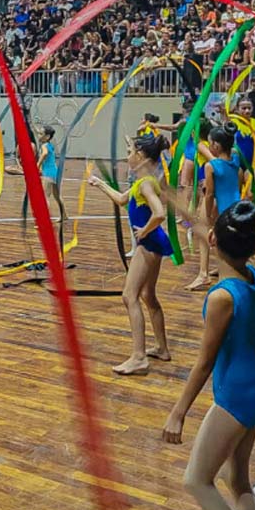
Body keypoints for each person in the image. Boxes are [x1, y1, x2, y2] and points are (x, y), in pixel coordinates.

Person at [163, 201, 255, 510]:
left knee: (196, 481)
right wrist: (174, 201)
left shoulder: (221, 298)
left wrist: (178, 412)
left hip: (237, 396)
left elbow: (205, 361)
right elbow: (207, 230)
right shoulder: (250, 275)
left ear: (212, 240)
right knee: (236, 478)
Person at [88, 133, 172, 375]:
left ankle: (139, 357)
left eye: (130, 152)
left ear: (141, 156)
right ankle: (162, 348)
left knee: (129, 295)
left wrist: (143, 231)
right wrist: (100, 184)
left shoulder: (145, 184)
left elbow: (159, 214)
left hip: (149, 244)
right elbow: (122, 200)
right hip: (153, 243)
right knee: (148, 295)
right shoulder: (141, 183)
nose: (127, 157)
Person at [186, 124, 243, 291]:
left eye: (211, 143)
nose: (209, 145)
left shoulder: (211, 166)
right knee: (226, 239)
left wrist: (208, 214)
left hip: (222, 205)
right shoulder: (236, 157)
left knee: (204, 233)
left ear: (216, 146)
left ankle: (203, 274)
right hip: (235, 204)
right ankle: (222, 265)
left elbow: (209, 194)